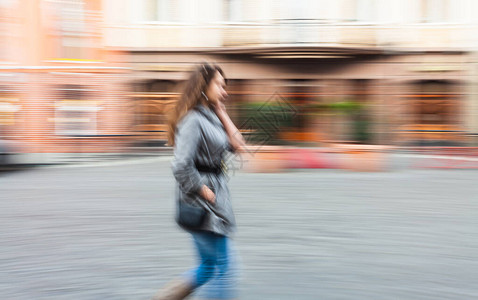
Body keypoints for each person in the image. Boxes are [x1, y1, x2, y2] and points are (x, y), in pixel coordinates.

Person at [151, 63, 245, 300]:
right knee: (226, 269)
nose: (224, 91)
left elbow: (238, 145)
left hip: (213, 196)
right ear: (204, 85)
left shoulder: (211, 116)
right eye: (219, 85)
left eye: (225, 86)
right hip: (204, 202)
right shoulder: (193, 119)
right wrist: (202, 190)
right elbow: (181, 164)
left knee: (207, 268)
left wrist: (222, 112)